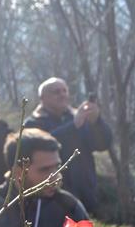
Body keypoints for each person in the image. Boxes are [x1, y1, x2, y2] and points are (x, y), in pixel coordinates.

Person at [24, 77, 112, 212]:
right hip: (51, 192)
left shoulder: (78, 117)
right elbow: (42, 145)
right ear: (43, 98)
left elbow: (102, 144)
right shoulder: (33, 123)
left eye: (65, 91)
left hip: (86, 190)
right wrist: (73, 126)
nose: (62, 95)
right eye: (56, 92)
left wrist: (96, 122)